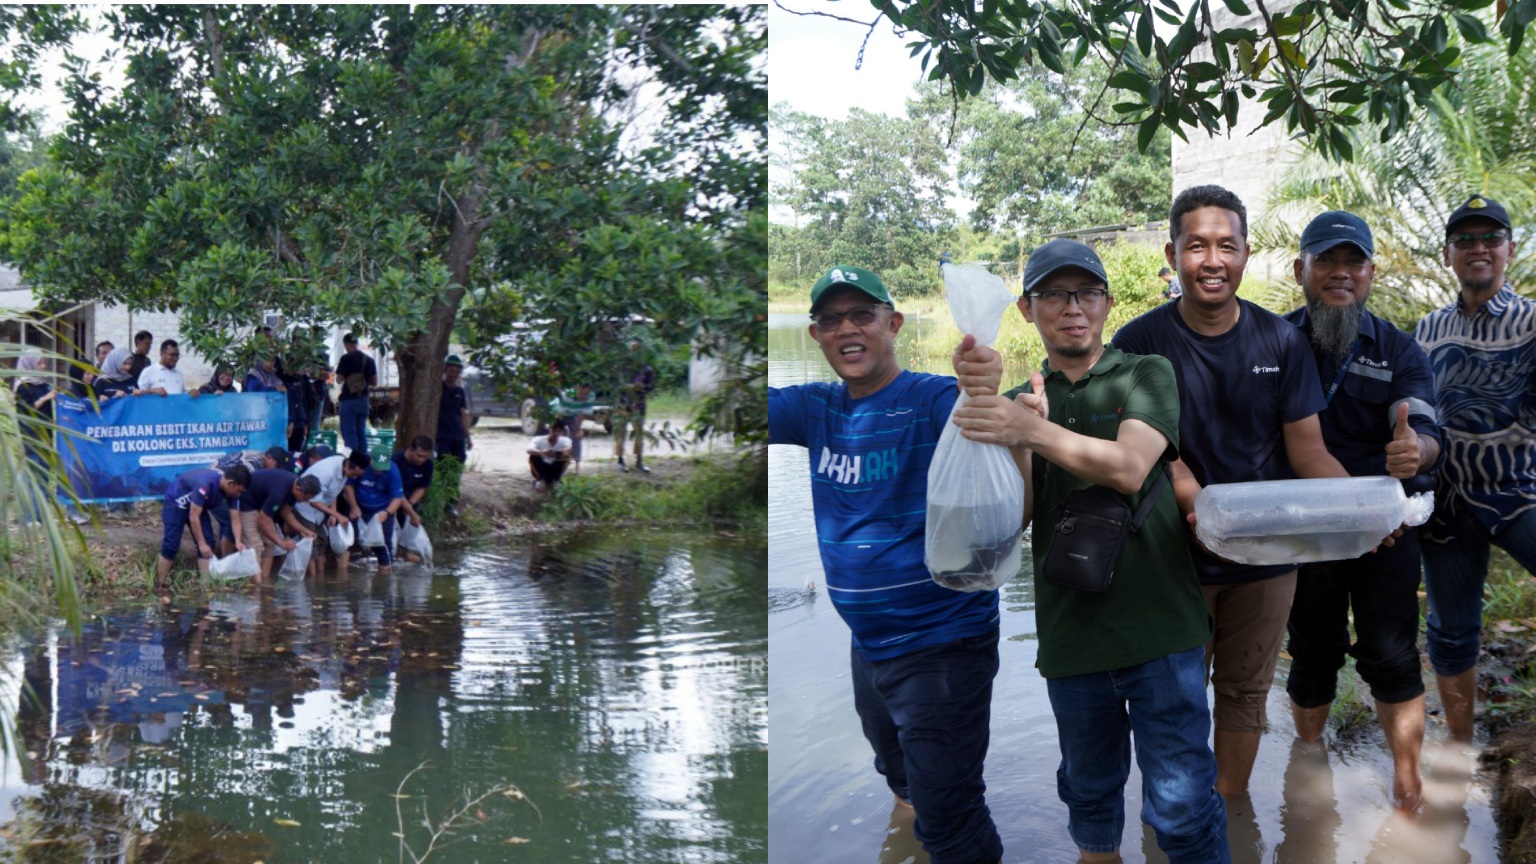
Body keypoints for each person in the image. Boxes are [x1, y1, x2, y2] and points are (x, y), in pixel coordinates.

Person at [952, 240, 1227, 863]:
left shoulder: (1144, 374)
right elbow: (1017, 517)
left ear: (1106, 303)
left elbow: (1131, 468)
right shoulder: (1028, 397)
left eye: (1087, 294)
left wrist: (1032, 430)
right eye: (1053, 294)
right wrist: (1018, 437)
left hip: (1161, 634)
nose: (1072, 308)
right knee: (1091, 807)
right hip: (1072, 640)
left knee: (1183, 814)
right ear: (1026, 308)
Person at [1111, 185, 1353, 797]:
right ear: (1173, 254)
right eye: (1197, 246)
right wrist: (1184, 482)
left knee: (1245, 695)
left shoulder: (1281, 342)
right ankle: (1177, 821)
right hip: (1170, 558)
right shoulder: (1139, 344)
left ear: (1246, 254)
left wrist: (1365, 507)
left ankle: (1228, 819)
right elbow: (1131, 451)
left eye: (1226, 245)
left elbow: (1309, 452)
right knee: (1173, 695)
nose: (1212, 260)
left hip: (1264, 560)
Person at [768, 265, 1005, 864]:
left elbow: (984, 418)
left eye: (862, 315)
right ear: (816, 335)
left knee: (951, 817)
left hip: (943, 647)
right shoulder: (814, 409)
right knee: (902, 782)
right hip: (869, 646)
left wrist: (983, 384)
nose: (847, 328)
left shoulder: (928, 400)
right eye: (830, 319)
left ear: (892, 324)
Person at [1281, 210, 1444, 811]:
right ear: (1301, 270)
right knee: (1312, 649)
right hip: (1303, 534)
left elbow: (1422, 423)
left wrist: (1414, 450)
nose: (1340, 273)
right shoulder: (1273, 341)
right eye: (1326, 260)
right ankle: (1308, 764)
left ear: (1371, 272)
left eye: (1353, 261)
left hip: (1385, 534)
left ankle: (1407, 782)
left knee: (1393, 652)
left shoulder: (1400, 349)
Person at [1413, 194, 1536, 743]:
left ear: (1509, 249)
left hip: (1519, 493)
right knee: (1451, 629)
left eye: (1490, 238)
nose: (1478, 248)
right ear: (1448, 254)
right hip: (1448, 506)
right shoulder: (1427, 330)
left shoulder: (1531, 322)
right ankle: (1461, 745)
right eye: (1465, 239)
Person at [156, 464, 251, 585]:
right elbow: (194, 516)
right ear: (231, 483)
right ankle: (160, 584)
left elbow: (235, 518)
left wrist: (238, 541)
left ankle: (205, 585)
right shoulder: (206, 484)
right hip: (176, 504)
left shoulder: (232, 493)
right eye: (238, 491)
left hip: (198, 507)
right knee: (171, 544)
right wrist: (201, 544)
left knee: (209, 543)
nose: (239, 494)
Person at [233, 471, 321, 583]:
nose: (305, 501)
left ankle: (264, 581)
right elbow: (263, 521)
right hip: (247, 503)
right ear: (298, 489)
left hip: (262, 506)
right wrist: (281, 543)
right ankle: (256, 588)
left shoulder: (295, 489)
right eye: (304, 498)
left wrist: (303, 530)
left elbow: (286, 511)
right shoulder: (279, 491)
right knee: (255, 546)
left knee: (270, 544)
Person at [293, 451, 366, 576]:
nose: (354, 477)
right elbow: (314, 502)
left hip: (320, 508)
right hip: (305, 505)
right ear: (349, 466)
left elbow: (334, 492)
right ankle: (314, 579)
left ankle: (320, 577)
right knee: (311, 543)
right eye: (354, 474)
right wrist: (338, 515)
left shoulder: (344, 468)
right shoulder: (326, 472)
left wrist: (333, 513)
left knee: (322, 541)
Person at [349, 450, 405, 571]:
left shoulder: (393, 471)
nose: (379, 471)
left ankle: (385, 576)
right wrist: (354, 506)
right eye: (377, 468)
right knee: (350, 542)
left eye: (382, 468)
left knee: (384, 545)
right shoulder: (362, 465)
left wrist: (388, 512)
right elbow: (348, 485)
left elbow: (398, 497)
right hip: (360, 511)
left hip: (383, 512)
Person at [614, 341, 656, 473]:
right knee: (621, 432)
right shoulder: (621, 367)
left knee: (639, 432)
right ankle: (620, 460)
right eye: (632, 350)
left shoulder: (647, 368)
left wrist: (642, 387)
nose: (634, 353)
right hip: (623, 403)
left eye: (637, 350)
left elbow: (651, 386)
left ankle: (639, 460)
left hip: (639, 404)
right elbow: (615, 385)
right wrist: (627, 387)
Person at [334, 333, 377, 456]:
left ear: (346, 344)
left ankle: (352, 462)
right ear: (357, 343)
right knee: (361, 433)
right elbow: (374, 382)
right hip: (363, 400)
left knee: (349, 433)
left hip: (348, 401)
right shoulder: (368, 360)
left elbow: (339, 379)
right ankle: (362, 462)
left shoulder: (345, 358)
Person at [436, 354, 472, 464]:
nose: (453, 375)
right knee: (443, 465)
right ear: (445, 370)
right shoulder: (438, 388)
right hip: (442, 436)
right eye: (451, 371)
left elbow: (463, 415)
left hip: (458, 436)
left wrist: (468, 437)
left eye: (456, 372)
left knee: (458, 463)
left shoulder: (459, 391)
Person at [555, 383, 596, 475]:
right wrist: (559, 427)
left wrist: (578, 428)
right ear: (577, 389)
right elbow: (559, 413)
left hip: (575, 415)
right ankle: (562, 466)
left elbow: (582, 413)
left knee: (577, 438)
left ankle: (577, 467)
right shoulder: (567, 395)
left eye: (586, 394)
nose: (583, 396)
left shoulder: (590, 396)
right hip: (563, 414)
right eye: (581, 393)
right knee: (564, 440)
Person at [527, 421, 573, 492]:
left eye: (558, 431)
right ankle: (540, 480)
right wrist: (542, 453)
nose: (556, 433)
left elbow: (567, 449)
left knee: (566, 456)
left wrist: (558, 453)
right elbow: (529, 449)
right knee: (533, 456)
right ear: (549, 429)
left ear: (561, 432)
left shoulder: (566, 440)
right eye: (554, 430)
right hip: (542, 468)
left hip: (555, 468)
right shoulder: (538, 439)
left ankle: (556, 480)